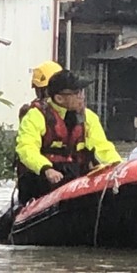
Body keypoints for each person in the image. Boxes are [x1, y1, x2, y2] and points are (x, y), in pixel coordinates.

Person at [15, 70, 122, 205]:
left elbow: (103, 147)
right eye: (76, 93)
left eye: (82, 92)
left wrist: (118, 166)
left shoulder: (89, 117)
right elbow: (26, 148)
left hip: (76, 179)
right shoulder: (36, 116)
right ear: (59, 98)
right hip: (42, 181)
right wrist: (46, 169)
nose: (82, 97)